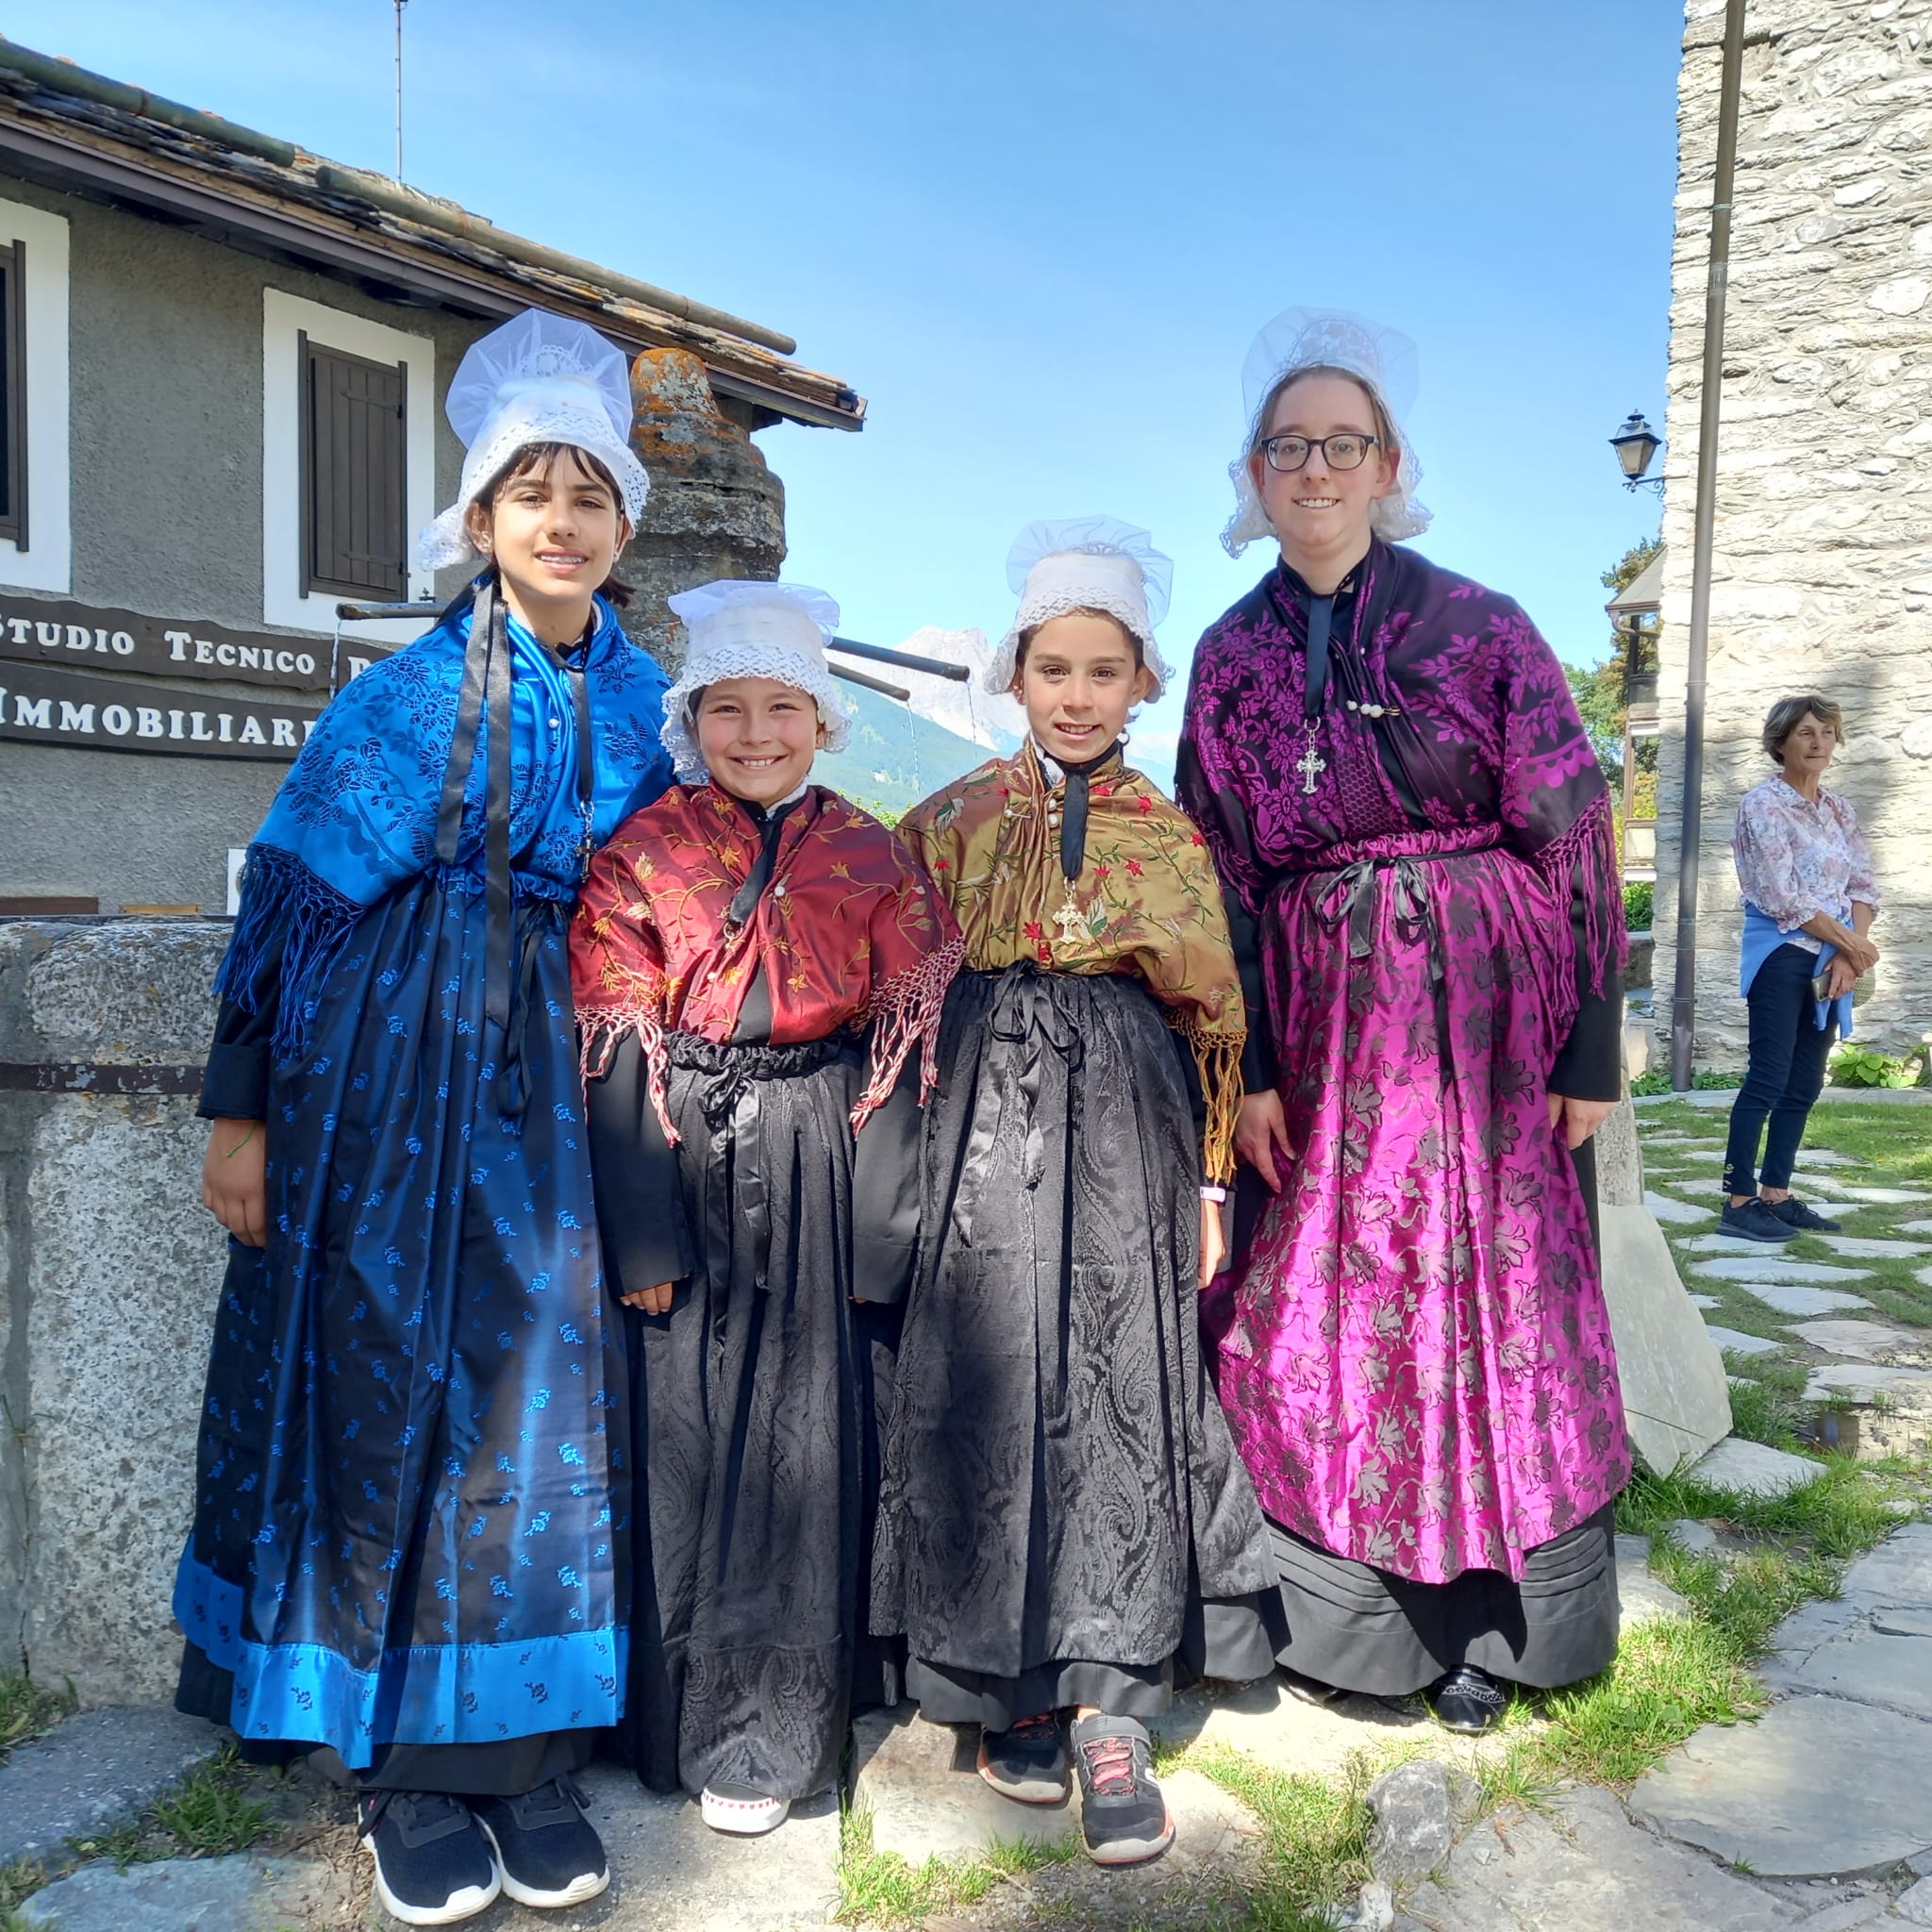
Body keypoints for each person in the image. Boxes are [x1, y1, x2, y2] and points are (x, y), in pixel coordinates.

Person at [179, 308, 673, 1926]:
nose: (560, 522)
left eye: (588, 497)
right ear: (479, 521)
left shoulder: (657, 708)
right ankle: (399, 1766)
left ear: (622, 527)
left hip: (568, 1097)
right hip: (386, 1093)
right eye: (531, 495)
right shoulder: (396, 701)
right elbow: (287, 912)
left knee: (546, 1410)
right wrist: (241, 1117)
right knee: (389, 1386)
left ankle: (523, 1756)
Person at [1176, 308, 1630, 1737]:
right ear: (1254, 475)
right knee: (1329, 1304)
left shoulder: (1483, 624)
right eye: (1288, 446)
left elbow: (1573, 835)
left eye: (1343, 444)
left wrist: (1590, 1048)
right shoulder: (1225, 658)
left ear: (1387, 466)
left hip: (1491, 1040)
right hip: (1318, 1039)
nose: (1315, 469)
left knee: (1493, 1301)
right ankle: (1357, 1626)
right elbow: (1216, 877)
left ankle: (1494, 1625)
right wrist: (1246, 1070)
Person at [872, 518, 1276, 1869]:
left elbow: (1212, 1016)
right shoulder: (949, 820)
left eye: (1105, 671)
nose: (1078, 695)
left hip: (1125, 1122)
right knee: (989, 1369)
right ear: (1015, 674)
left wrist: (1207, 1182)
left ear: (1141, 683)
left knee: (1120, 1377)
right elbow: (898, 987)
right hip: (981, 1121)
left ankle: (1113, 1698)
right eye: (1054, 669)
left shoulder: (1170, 835)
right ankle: (1007, 1688)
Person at [571, 579, 962, 1838]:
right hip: (680, 1144)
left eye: (781, 708)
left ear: (822, 719)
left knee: (804, 1441)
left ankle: (777, 1731)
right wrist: (640, 1230)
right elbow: (614, 1042)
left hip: (816, 1149)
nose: (755, 734)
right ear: (693, 721)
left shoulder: (874, 853)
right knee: (679, 1437)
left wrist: (878, 1235)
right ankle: (671, 1720)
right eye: (727, 709)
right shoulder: (641, 850)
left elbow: (905, 1047)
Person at [1720, 695, 1879, 1241]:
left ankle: (1776, 1194)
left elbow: (1863, 885)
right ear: (1781, 742)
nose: (1818, 742)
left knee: (1805, 1081)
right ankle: (1738, 1201)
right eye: (1806, 732)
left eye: (1827, 732)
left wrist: (1850, 954)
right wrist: (1853, 947)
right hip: (1781, 952)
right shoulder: (1762, 806)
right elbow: (1781, 896)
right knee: (1769, 1075)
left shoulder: (1839, 810)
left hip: (1832, 958)